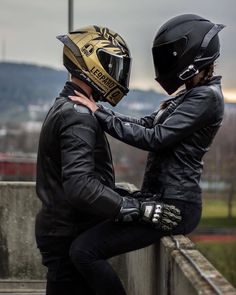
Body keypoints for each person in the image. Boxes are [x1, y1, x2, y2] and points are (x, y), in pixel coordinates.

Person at [69, 14, 225, 294]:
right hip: (159, 198)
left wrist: (99, 114)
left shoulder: (207, 97)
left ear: (193, 57)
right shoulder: (189, 94)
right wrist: (103, 112)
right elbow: (146, 124)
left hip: (175, 206)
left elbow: (156, 138)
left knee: (84, 250)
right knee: (85, 238)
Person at [35, 26, 181, 295]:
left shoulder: (70, 106)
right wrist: (136, 209)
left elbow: (88, 179)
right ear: (92, 62)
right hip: (67, 233)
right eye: (112, 65)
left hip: (63, 230)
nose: (117, 74)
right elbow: (80, 186)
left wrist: (130, 198)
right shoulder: (76, 114)